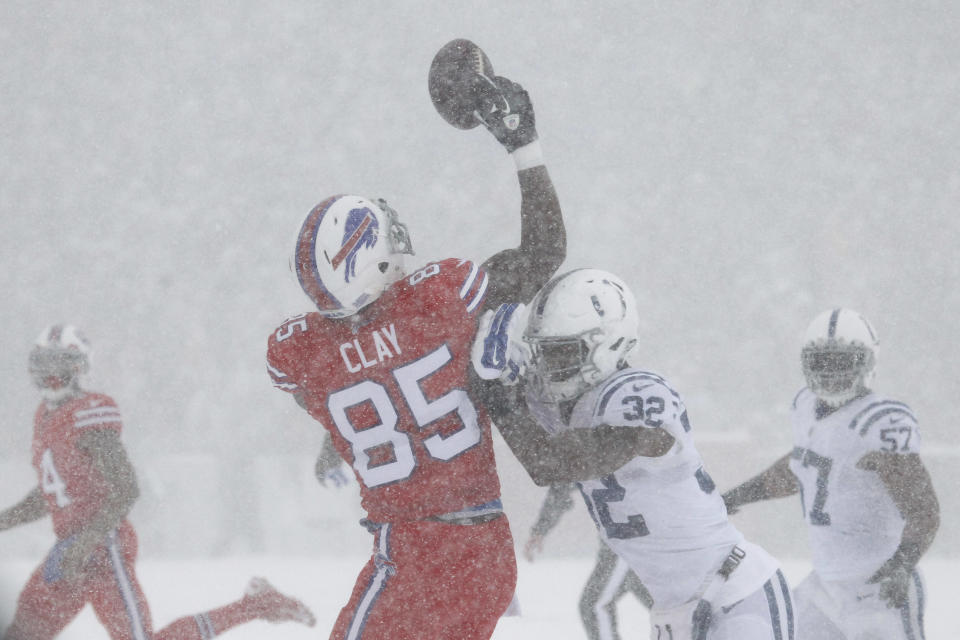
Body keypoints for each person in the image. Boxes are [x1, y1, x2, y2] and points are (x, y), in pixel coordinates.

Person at [267, 73, 663, 640]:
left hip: (410, 553)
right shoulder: (441, 301)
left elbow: (361, 388)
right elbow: (544, 250)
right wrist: (524, 145)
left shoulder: (298, 354)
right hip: (483, 549)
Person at [473, 268, 796, 640]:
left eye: (563, 353)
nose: (550, 367)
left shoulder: (638, 391)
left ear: (609, 341)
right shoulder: (562, 405)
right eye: (545, 354)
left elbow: (551, 462)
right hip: (673, 615)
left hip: (735, 594)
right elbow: (540, 448)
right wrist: (496, 377)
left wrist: (501, 397)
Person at [0, 324, 316, 640]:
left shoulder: (89, 412)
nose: (52, 375)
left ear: (79, 367)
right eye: (45, 366)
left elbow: (126, 486)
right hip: (69, 549)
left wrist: (87, 542)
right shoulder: (45, 415)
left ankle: (255, 606)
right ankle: (257, 604)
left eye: (60, 366)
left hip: (103, 547)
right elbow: (53, 491)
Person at [722, 308, 940, 639]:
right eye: (821, 361)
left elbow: (923, 508)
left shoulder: (879, 422)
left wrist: (901, 565)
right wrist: (739, 495)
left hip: (878, 588)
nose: (830, 372)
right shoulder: (806, 407)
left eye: (842, 361)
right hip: (824, 587)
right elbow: (802, 465)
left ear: (867, 362)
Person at [524, 482, 652, 640]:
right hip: (628, 540)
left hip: (630, 540)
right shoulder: (582, 462)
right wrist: (540, 528)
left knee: (594, 605)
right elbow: (561, 486)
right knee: (668, 604)